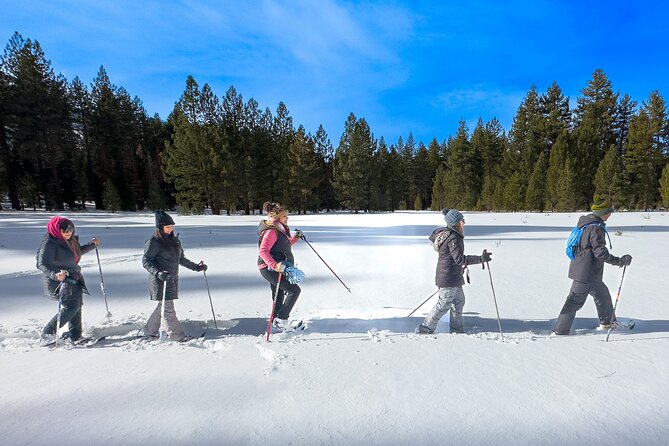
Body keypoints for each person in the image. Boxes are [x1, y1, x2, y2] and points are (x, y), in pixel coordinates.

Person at [552, 199, 632, 335]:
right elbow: (600, 252)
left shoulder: (587, 223)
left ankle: (608, 323)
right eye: (609, 212)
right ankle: (559, 331)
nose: (610, 215)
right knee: (574, 301)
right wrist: (619, 261)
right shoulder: (595, 228)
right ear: (603, 213)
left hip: (588, 271)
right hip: (586, 273)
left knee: (603, 296)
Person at [416, 208, 492, 334]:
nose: (464, 222)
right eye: (462, 220)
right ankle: (425, 328)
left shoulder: (453, 235)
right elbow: (459, 259)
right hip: (448, 278)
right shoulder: (453, 238)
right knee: (443, 305)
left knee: (458, 302)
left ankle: (457, 330)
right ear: (456, 223)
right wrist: (480, 259)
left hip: (454, 277)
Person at [142, 211, 207, 341]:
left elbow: (181, 259)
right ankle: (177, 336)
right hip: (160, 280)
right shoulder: (154, 241)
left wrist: (197, 267)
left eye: (172, 226)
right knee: (168, 308)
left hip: (172, 279)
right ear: (160, 228)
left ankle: (149, 331)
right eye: (167, 227)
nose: (170, 229)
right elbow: (146, 261)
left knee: (163, 306)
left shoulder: (175, 241)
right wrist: (158, 273)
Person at [37, 216, 100, 343]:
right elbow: (41, 263)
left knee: (76, 306)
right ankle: (48, 333)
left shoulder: (70, 240)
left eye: (70, 230)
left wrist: (91, 245)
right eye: (65, 231)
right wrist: (55, 274)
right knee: (71, 307)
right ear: (56, 230)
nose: (68, 233)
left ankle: (75, 335)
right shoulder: (50, 243)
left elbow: (77, 253)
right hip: (58, 282)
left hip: (73, 278)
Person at [257, 201, 303, 330]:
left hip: (278, 266)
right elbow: (263, 251)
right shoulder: (271, 231)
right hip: (269, 268)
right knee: (294, 291)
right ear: (278, 218)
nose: (287, 218)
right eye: (285, 216)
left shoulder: (279, 229)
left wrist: (296, 238)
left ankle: (276, 321)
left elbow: (282, 245)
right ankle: (281, 320)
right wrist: (274, 265)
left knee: (279, 293)